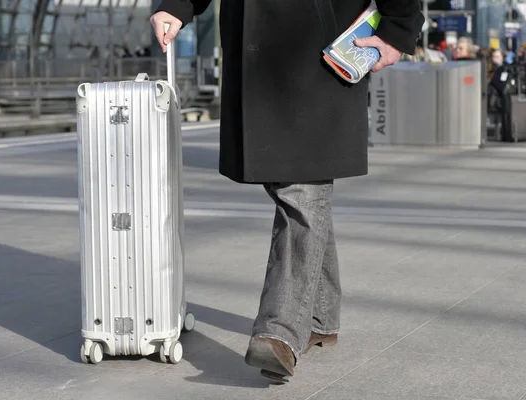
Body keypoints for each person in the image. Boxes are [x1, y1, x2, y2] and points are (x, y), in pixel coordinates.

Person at [150, 0, 424, 383]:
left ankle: (278, 331)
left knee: (301, 187)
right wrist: (179, 6)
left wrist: (397, 28)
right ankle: (319, 318)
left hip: (319, 51)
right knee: (291, 182)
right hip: (260, 55)